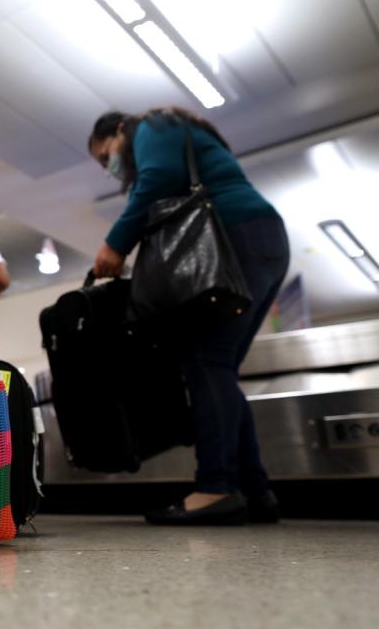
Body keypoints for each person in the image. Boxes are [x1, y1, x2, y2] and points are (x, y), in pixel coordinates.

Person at [87, 107, 290, 525]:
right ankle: (254, 491)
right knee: (220, 368)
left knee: (205, 362)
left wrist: (116, 243)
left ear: (119, 130)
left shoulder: (151, 124)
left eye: (104, 155)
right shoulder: (177, 130)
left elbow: (158, 177)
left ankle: (215, 488)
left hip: (235, 236)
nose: (109, 167)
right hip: (261, 238)